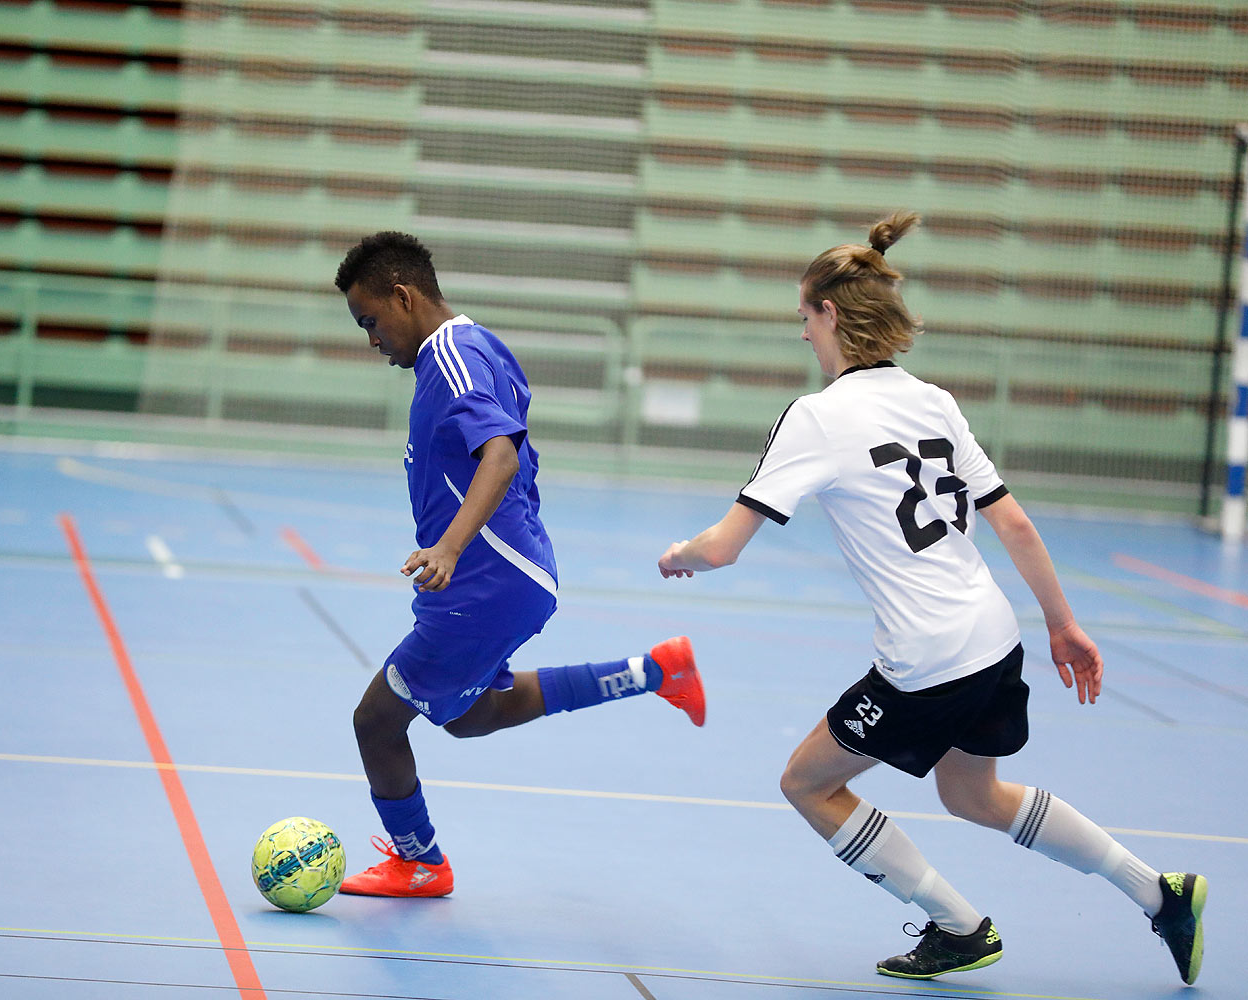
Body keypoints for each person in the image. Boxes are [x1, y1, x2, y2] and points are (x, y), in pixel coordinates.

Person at [655, 212, 1207, 984]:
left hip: (927, 659)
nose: (803, 335)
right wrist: (1064, 625)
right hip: (993, 636)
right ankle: (1161, 894)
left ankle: (960, 927)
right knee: (971, 792)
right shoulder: (934, 401)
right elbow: (1011, 522)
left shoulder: (816, 417)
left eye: (805, 318)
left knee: (807, 783)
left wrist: (680, 556)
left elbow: (722, 546)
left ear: (833, 314)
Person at [332, 230, 706, 897]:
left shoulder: (450, 357)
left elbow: (501, 454)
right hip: (508, 576)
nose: (372, 339)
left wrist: (450, 546)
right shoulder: (473, 347)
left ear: (403, 295)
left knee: (377, 722)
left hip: (484, 580)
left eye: (371, 321)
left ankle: (421, 863)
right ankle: (654, 670)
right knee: (475, 715)